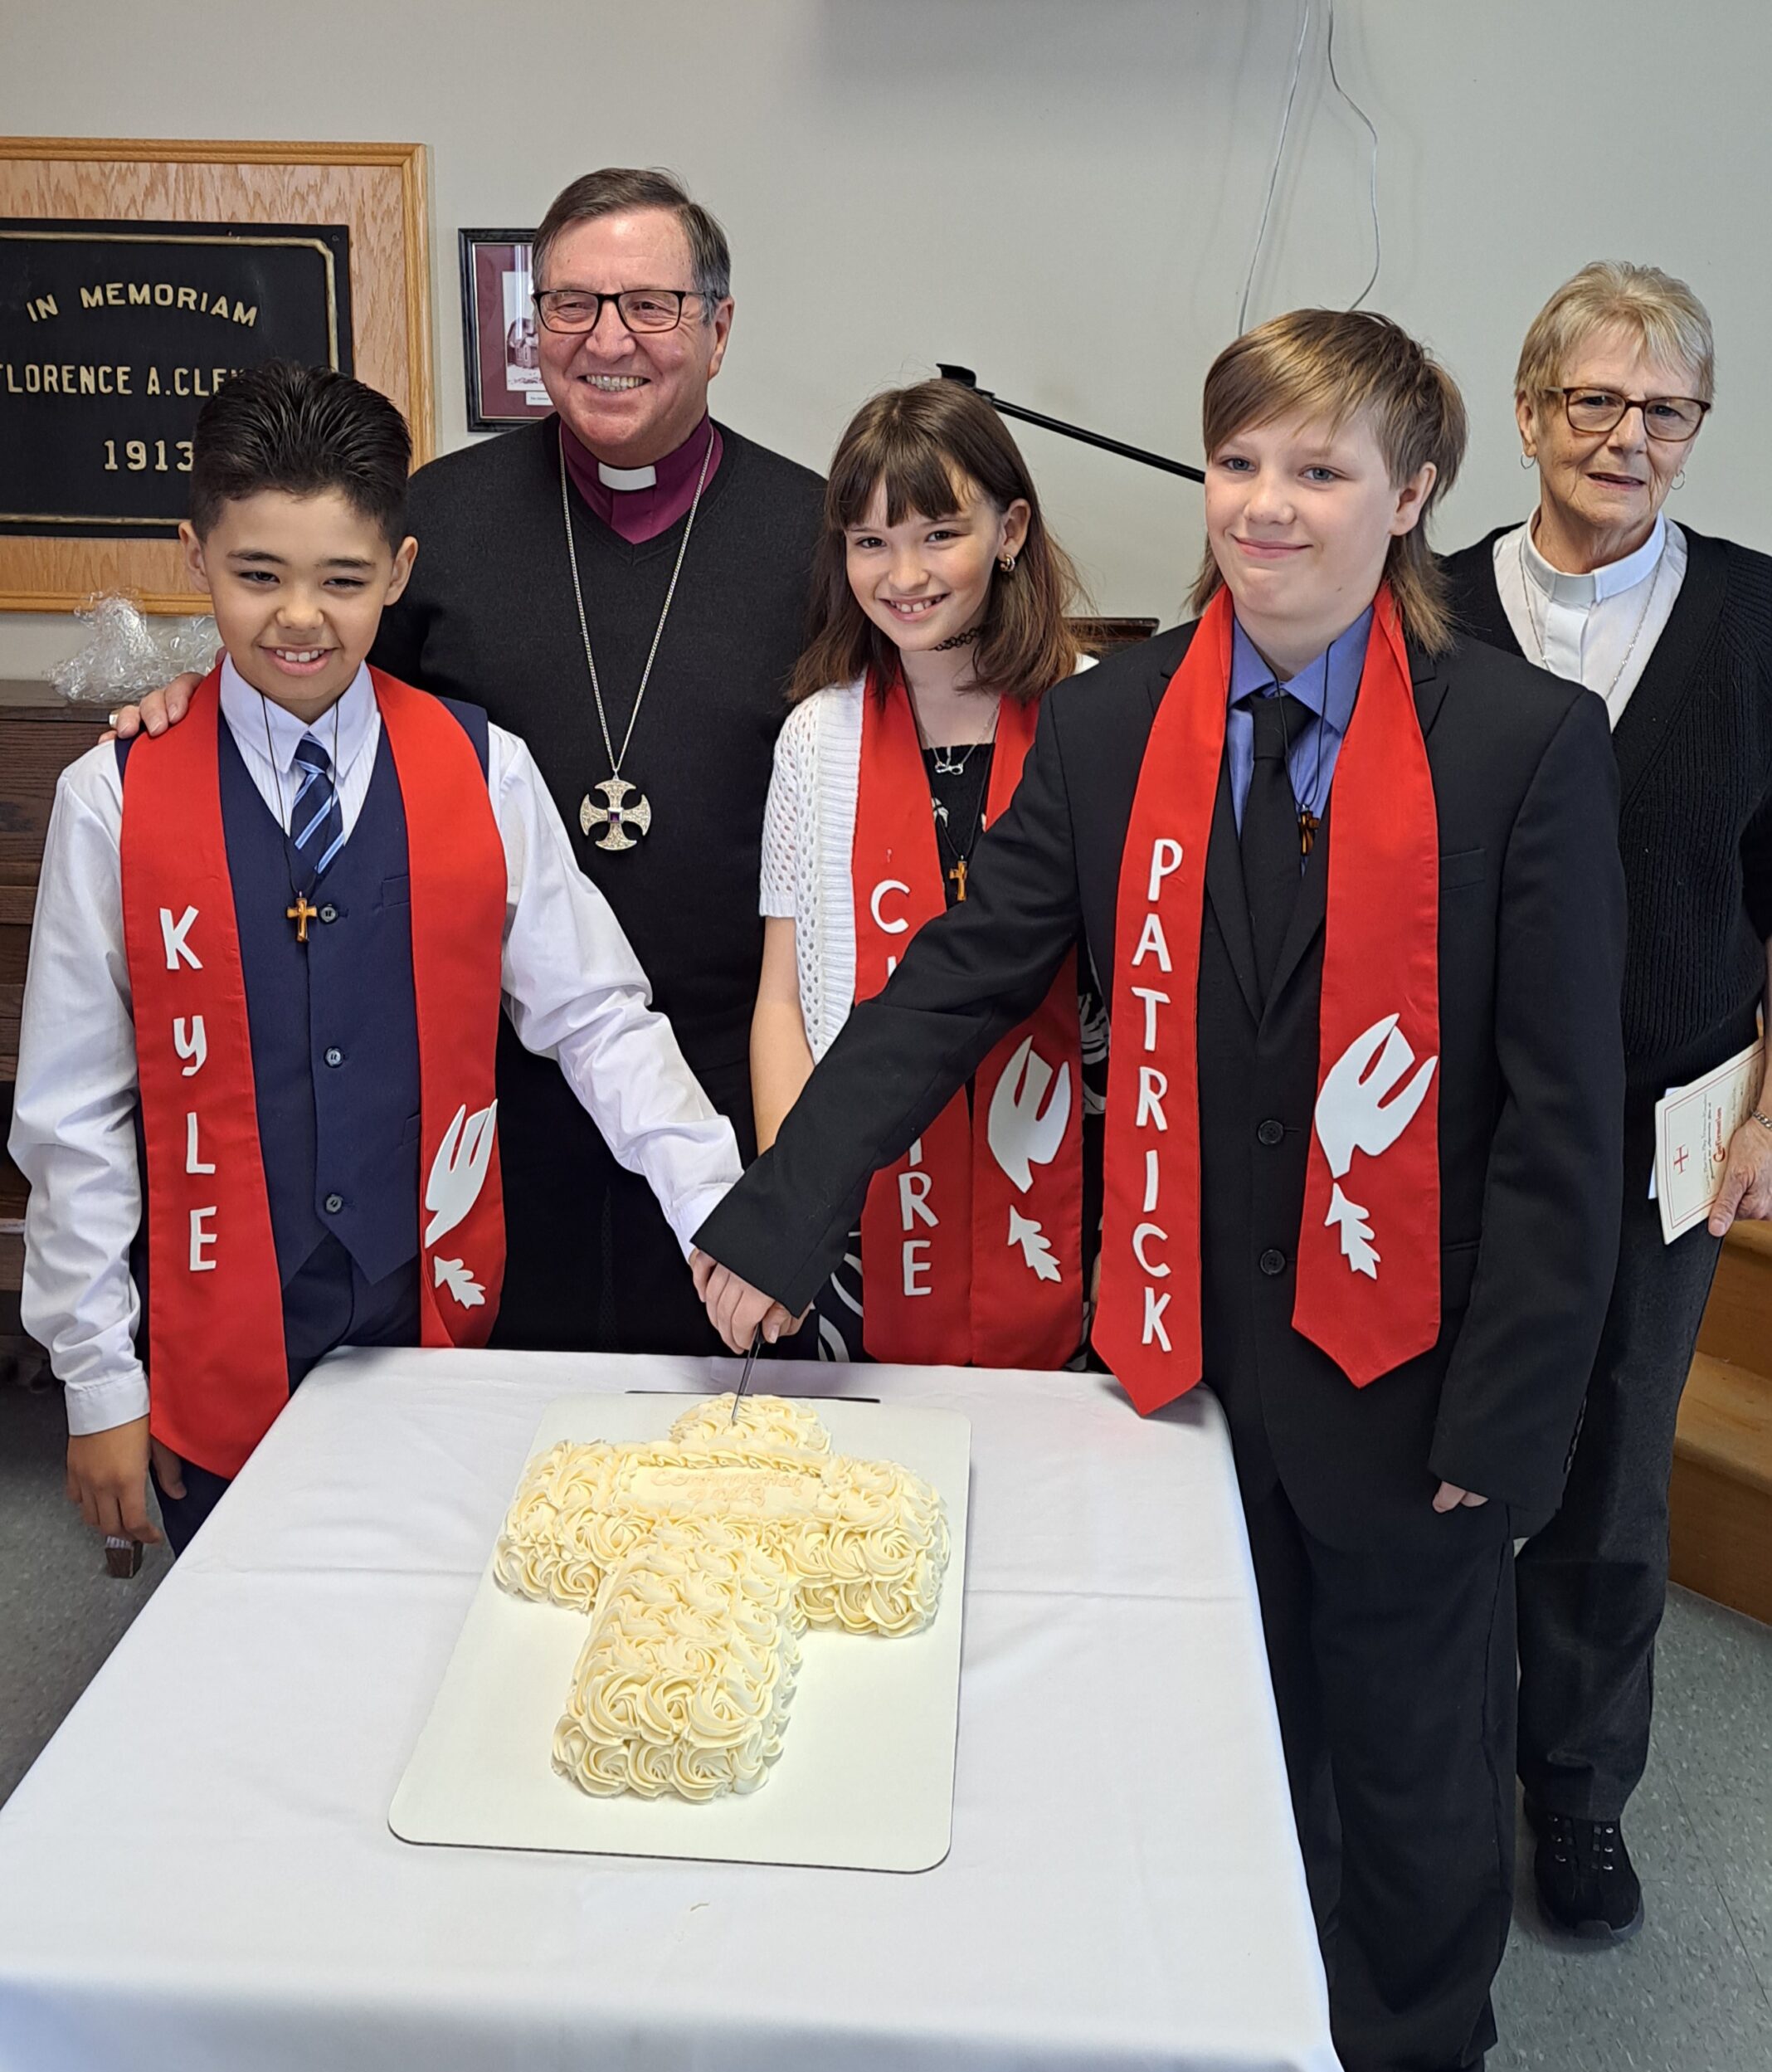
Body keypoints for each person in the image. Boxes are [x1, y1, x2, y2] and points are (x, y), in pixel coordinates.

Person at [694, 310, 1627, 2072]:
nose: (1265, 505)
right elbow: (964, 972)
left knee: (1417, 1775)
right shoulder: (1119, 725)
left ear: (1412, 494)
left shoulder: (1525, 742)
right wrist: (786, 1204)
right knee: (1215, 1752)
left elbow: (1563, 1123)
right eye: (1237, 462)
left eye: (1318, 469)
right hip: (1177, 1351)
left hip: (1411, 1368)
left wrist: (1512, 1418)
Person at [9, 363, 741, 1554]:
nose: (300, 617)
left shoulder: (484, 770)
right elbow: (73, 1115)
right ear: (196, 556)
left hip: (436, 1324)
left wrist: (718, 1205)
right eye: (258, 575)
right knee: (244, 1631)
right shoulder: (116, 798)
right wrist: (98, 1379)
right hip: (216, 1352)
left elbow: (598, 1016)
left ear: (397, 572)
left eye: (342, 581)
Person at [113, 168, 824, 1358]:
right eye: (571, 305)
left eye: (649, 304)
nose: (608, 339)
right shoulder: (434, 521)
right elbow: (315, 685)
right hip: (475, 1096)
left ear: (718, 327)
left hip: (727, 1074)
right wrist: (196, 698)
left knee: (723, 1417)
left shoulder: (819, 536)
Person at [1442, 261, 1772, 1944]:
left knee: (1615, 1473)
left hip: (1669, 1121)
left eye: (1666, 409)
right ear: (1528, 412)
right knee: (1439, 1451)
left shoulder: (1760, 619)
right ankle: (1431, 1769)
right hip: (1451, 1123)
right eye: (1594, 399)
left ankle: (1576, 1793)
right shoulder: (1425, 606)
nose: (1627, 435)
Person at [755, 378, 1103, 1363]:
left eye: (939, 534)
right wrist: (792, 1200)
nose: (903, 574)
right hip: (864, 1223)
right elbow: (782, 999)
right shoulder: (817, 739)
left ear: (1010, 530)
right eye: (871, 542)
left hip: (1070, 1211)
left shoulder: (1097, 718)